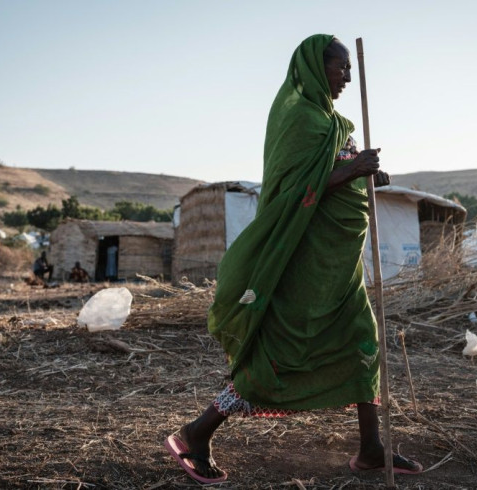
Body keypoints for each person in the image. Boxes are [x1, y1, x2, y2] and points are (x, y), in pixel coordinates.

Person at [164, 34, 422, 484]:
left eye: (349, 69)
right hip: (305, 265)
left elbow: (338, 175)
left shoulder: (338, 124)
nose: (346, 76)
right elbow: (291, 190)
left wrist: (369, 174)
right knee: (279, 356)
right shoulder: (300, 120)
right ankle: (196, 433)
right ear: (313, 68)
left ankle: (370, 447)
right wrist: (349, 171)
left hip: (340, 269)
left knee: (364, 342)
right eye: (340, 67)